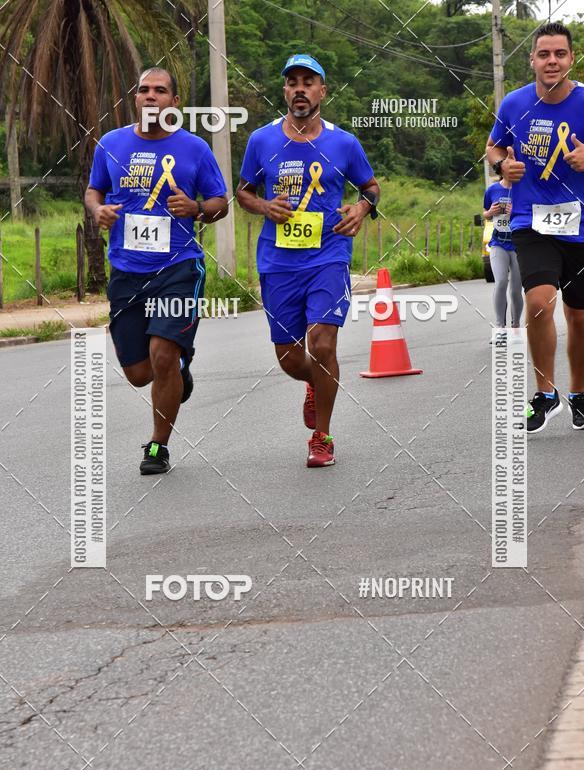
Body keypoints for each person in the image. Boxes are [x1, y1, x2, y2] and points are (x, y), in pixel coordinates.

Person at [236, 54, 380, 466]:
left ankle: (323, 436)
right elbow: (243, 191)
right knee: (290, 357)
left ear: (322, 91)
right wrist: (264, 206)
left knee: (321, 344)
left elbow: (370, 187)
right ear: (285, 90)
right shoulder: (261, 140)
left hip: (328, 257)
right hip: (278, 262)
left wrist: (361, 209)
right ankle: (315, 383)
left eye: (308, 82)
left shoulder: (344, 143)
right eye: (292, 82)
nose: (300, 88)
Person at [85, 67, 228, 474]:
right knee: (138, 373)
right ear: (135, 98)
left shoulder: (195, 149)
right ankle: (181, 369)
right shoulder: (111, 144)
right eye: (144, 90)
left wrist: (197, 209)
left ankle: (157, 447)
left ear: (174, 102)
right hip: (126, 272)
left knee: (162, 355)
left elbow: (221, 201)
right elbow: (94, 189)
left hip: (178, 268)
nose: (151, 96)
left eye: (160, 91)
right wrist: (98, 209)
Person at [486, 21, 584, 434]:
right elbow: (494, 146)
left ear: (571, 59)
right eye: (544, 54)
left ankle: (580, 393)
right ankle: (545, 394)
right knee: (537, 302)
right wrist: (503, 166)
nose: (552, 61)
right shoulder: (515, 105)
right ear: (532, 60)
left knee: (581, 314)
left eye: (560, 54)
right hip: (530, 220)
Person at [482, 177, 523, 341]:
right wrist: (490, 213)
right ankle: (499, 328)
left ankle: (516, 326)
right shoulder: (492, 190)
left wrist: (515, 212)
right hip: (499, 242)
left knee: (515, 289)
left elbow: (533, 212)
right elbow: (485, 214)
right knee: (500, 282)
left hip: (519, 244)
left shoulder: (524, 188)